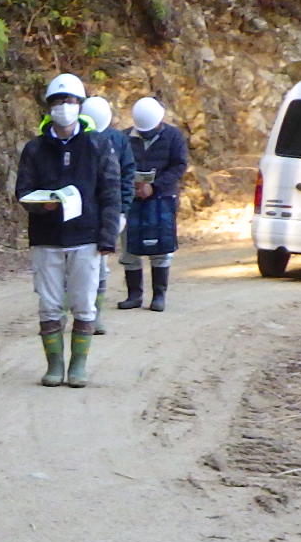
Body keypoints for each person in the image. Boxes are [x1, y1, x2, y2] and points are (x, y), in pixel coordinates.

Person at [16, 73, 120, 389]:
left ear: (81, 105)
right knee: (48, 303)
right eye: (59, 101)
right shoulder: (34, 149)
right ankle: (54, 365)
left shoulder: (98, 145)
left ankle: (78, 365)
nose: (65, 107)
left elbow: (111, 192)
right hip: (46, 238)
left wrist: (107, 236)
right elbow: (23, 191)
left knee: (84, 303)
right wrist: (40, 205)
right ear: (49, 108)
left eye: (71, 101)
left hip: (86, 237)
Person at [117, 96, 186, 311]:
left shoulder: (174, 137)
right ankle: (134, 294)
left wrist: (154, 186)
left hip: (162, 199)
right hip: (132, 200)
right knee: (129, 246)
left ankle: (159, 294)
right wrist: (131, 185)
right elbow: (118, 166)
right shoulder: (124, 138)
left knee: (161, 247)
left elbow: (178, 166)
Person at [81, 94, 134, 334]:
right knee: (74, 268)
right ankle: (70, 315)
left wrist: (122, 209)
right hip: (81, 213)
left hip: (105, 212)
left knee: (100, 266)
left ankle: (94, 316)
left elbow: (126, 176)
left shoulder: (118, 140)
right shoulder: (73, 137)